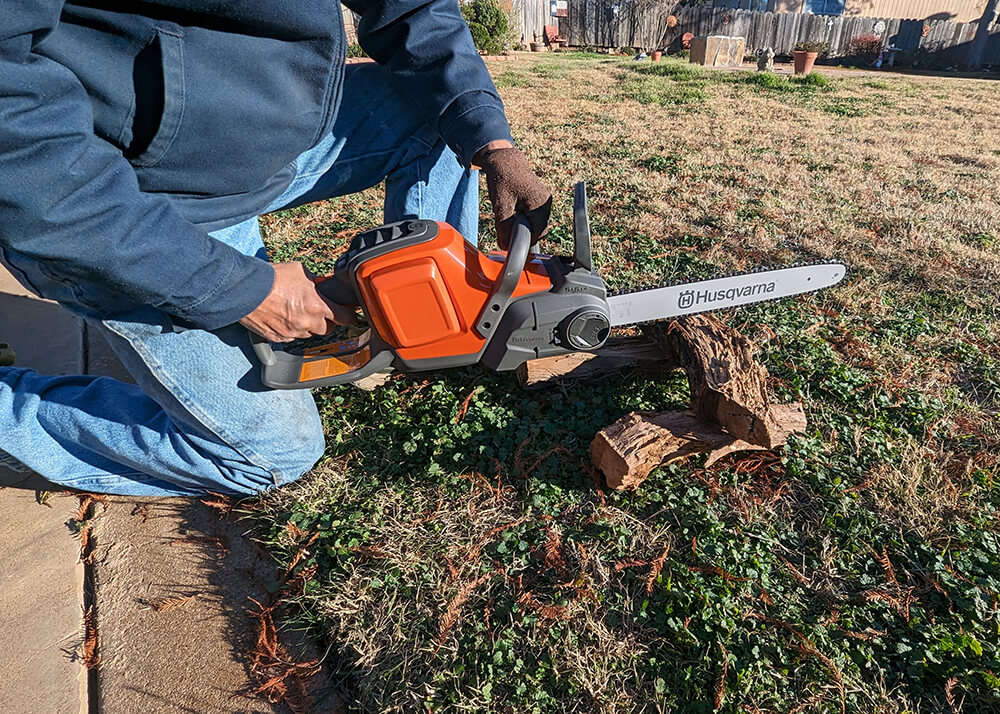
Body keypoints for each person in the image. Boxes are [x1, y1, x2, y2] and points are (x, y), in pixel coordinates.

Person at [0, 1, 552, 496]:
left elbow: (414, 8)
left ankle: (434, 324)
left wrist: (490, 140)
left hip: (249, 141)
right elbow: (22, 158)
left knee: (442, 116)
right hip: (128, 201)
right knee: (268, 456)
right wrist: (236, 289)